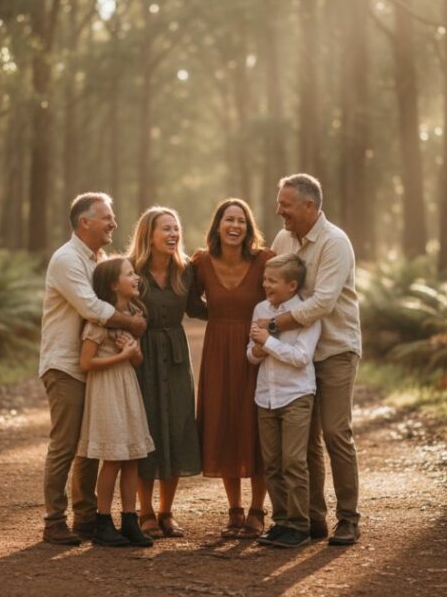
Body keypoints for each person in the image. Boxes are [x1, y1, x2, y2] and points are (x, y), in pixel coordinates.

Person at [39, 192, 147, 546]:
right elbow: (92, 308)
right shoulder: (66, 259)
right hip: (67, 364)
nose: (113, 223)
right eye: (106, 217)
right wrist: (132, 326)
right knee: (66, 444)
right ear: (84, 222)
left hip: (94, 368)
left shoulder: (99, 259)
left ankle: (86, 518)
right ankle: (54, 521)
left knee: (88, 446)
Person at [264, 174, 363, 546]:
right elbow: (274, 284)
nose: (279, 211)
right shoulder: (283, 239)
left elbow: (323, 302)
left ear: (309, 205)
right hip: (297, 355)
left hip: (335, 349)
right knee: (305, 439)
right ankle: (313, 519)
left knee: (336, 432)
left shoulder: (335, 243)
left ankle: (349, 519)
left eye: (285, 204)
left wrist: (274, 325)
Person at [191, 199, 273, 538]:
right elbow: (188, 300)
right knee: (223, 421)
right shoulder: (201, 262)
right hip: (217, 349)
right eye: (229, 219)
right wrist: (215, 317)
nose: (235, 225)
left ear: (248, 227)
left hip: (254, 350)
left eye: (241, 220)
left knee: (254, 425)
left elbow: (281, 296)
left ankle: (257, 510)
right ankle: (235, 509)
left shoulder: (264, 260)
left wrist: (268, 330)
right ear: (218, 225)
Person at [128, 206, 207, 538]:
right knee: (146, 430)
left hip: (175, 357)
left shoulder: (186, 271)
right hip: (141, 356)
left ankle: (166, 511)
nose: (174, 234)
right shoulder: (131, 269)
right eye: (166, 229)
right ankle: (144, 511)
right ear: (149, 234)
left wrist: (238, 310)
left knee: (176, 427)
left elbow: (196, 308)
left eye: (176, 228)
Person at [77, 257, 155, 548]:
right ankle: (103, 521)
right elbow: (86, 362)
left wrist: (131, 352)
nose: (136, 277)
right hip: (106, 389)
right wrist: (122, 356)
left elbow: (138, 360)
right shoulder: (101, 320)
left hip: (127, 387)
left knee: (132, 456)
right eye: (129, 274)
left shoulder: (134, 313)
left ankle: (130, 519)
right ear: (113, 284)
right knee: (112, 458)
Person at [247, 254, 321, 548]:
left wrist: (268, 343)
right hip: (265, 396)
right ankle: (281, 522)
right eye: (265, 279)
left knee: (293, 461)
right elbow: (250, 355)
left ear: (292, 285)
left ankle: (300, 525)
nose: (265, 285)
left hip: (296, 395)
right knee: (272, 463)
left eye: (272, 281)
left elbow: (302, 358)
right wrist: (259, 349)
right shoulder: (260, 309)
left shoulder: (305, 313)